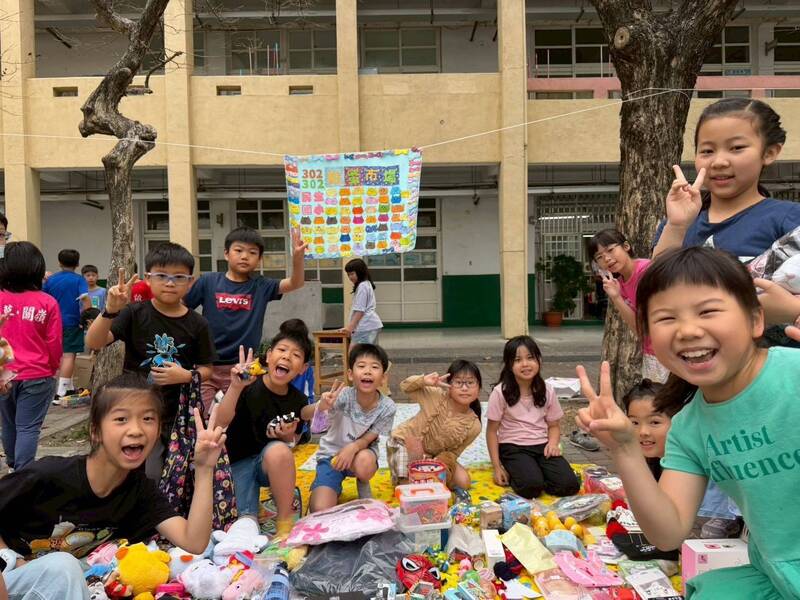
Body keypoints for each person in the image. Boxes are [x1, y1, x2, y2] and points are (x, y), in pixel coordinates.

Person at [576, 246, 800, 599]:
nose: (688, 330)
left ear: (755, 320)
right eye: (666, 318)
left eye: (707, 311)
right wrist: (624, 448)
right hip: (777, 572)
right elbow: (667, 533)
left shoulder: (794, 373)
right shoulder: (688, 427)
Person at [0, 373, 225, 600]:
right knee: (63, 567)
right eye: (121, 419)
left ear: (158, 431)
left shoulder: (139, 492)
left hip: (69, 583)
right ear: (95, 431)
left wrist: (204, 468)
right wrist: (11, 558)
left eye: (147, 418)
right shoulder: (48, 475)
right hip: (12, 578)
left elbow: (194, 541)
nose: (136, 429)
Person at [652, 98, 800, 329]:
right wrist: (677, 226)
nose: (719, 161)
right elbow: (657, 288)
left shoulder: (790, 219)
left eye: (737, 148)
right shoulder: (677, 225)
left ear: (769, 152)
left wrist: (790, 310)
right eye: (707, 151)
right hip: (693, 348)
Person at [86, 243, 216, 479]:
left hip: (173, 414)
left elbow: (208, 369)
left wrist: (186, 375)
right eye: (161, 276)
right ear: (148, 279)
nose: (170, 283)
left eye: (179, 277)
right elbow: (95, 342)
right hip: (133, 407)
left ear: (190, 282)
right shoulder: (134, 313)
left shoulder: (198, 324)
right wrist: (109, 311)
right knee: (127, 467)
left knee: (160, 472)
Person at [184, 226, 308, 411]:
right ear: (226, 254)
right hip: (207, 366)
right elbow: (182, 309)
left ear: (259, 259)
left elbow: (295, 283)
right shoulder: (208, 281)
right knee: (202, 416)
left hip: (243, 367)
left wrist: (297, 258)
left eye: (252, 252)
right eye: (238, 250)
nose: (244, 256)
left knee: (237, 417)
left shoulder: (262, 286)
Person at [218, 322, 317, 538]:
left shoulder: (298, 399)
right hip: (236, 462)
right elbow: (220, 421)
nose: (287, 357)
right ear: (269, 356)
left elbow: (293, 441)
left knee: (280, 451)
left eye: (296, 355)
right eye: (282, 350)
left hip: (266, 463)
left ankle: (284, 519)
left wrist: (286, 438)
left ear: (303, 368)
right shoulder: (247, 384)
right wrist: (235, 387)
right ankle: (261, 508)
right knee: (246, 523)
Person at [622, 377, 743, 539]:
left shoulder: (702, 469)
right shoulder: (657, 462)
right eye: (634, 423)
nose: (643, 432)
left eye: (655, 422)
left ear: (679, 421)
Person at [487, 336, 579, 499]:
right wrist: (497, 467)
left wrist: (552, 444)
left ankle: (536, 473)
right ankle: (526, 473)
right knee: (531, 487)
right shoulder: (500, 392)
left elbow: (554, 426)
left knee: (569, 485)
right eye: (518, 360)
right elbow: (492, 432)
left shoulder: (547, 390)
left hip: (542, 446)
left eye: (530, 358)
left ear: (539, 360)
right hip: (513, 447)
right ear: (509, 364)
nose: (525, 364)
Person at [309, 343, 395, 512]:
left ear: (383, 377)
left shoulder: (388, 407)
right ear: (350, 374)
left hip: (360, 454)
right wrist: (323, 406)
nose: (367, 371)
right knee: (320, 509)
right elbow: (316, 426)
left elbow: (370, 437)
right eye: (361, 366)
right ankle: (329, 483)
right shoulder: (342, 396)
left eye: (374, 367)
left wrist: (352, 448)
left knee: (365, 463)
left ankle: (362, 481)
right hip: (332, 456)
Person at [0, 242, 62, 472]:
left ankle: (13, 467)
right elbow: (54, 342)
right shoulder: (47, 303)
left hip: (4, 374)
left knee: (8, 425)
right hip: (37, 373)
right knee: (28, 427)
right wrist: (53, 368)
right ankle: (23, 474)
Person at [387, 360, 482, 492]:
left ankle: (426, 475)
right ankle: (407, 477)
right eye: (458, 382)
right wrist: (423, 381)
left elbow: (454, 453)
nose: (464, 388)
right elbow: (405, 386)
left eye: (470, 383)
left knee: (463, 482)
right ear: (449, 385)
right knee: (409, 486)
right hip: (404, 442)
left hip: (431, 456)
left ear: (479, 388)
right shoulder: (436, 395)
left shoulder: (474, 425)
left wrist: (441, 462)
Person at [590, 229, 668, 383]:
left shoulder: (646, 271)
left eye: (610, 250)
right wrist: (616, 297)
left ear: (626, 246)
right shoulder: (620, 284)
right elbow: (639, 329)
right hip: (652, 352)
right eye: (599, 257)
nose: (607, 258)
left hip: (671, 350)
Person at [43, 249, 91, 399]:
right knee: (69, 355)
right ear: (77, 264)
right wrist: (88, 317)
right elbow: (85, 299)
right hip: (72, 321)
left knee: (59, 355)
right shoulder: (79, 280)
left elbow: (44, 298)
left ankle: (69, 387)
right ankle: (61, 391)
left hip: (52, 322)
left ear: (59, 263)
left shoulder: (51, 280)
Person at [340, 258, 383, 344]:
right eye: (348, 274)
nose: (350, 277)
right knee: (368, 352)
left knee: (356, 352)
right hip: (369, 326)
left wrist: (349, 328)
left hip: (365, 326)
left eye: (352, 274)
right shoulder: (366, 284)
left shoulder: (362, 286)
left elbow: (360, 311)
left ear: (360, 272)